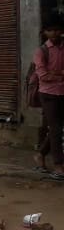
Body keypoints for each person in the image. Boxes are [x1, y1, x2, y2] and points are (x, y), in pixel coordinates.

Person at [34, 23, 64, 180]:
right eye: (50, 30)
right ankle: (59, 166)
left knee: (56, 130)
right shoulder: (41, 51)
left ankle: (40, 154)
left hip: (62, 93)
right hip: (48, 94)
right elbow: (44, 76)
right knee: (56, 129)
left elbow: (50, 74)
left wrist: (56, 73)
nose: (54, 33)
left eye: (57, 29)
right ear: (44, 32)